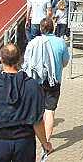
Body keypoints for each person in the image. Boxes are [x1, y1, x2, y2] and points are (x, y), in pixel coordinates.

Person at [0, 44, 52, 162]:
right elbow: (37, 121)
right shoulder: (32, 86)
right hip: (24, 143)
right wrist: (44, 143)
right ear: (19, 59)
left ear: (1, 59)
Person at [22, 18, 70, 148]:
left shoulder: (33, 43)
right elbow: (65, 62)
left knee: (35, 109)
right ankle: (46, 141)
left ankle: (31, 135)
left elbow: (26, 63)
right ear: (53, 28)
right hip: (54, 81)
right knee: (49, 110)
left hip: (35, 80)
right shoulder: (61, 43)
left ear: (41, 29)